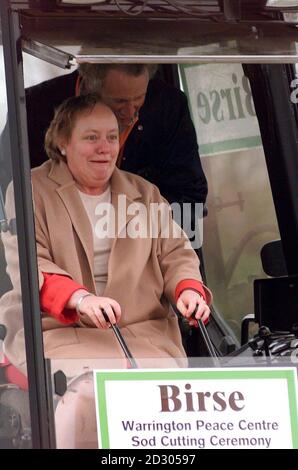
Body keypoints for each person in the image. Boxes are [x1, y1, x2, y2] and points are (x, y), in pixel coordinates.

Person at [1, 93, 211, 448]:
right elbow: (27, 262)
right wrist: (79, 299)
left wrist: (188, 289)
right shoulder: (28, 190)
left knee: (172, 401)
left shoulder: (145, 193)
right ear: (63, 143)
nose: (105, 148)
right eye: (91, 137)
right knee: (89, 397)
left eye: (112, 137)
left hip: (144, 334)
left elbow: (175, 252)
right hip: (58, 331)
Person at [0, 64, 208, 210]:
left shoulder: (168, 106)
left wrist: (134, 232)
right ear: (87, 91)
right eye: (119, 102)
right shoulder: (31, 109)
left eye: (139, 100)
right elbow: (15, 193)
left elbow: (189, 195)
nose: (130, 114)